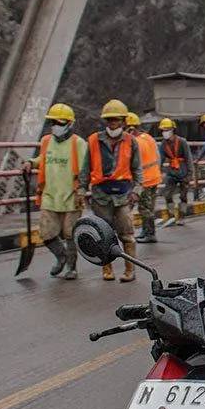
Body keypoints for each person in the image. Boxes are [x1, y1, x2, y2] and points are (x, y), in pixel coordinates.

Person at [22, 103, 87, 280]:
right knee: (46, 233)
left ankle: (71, 267)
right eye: (53, 122)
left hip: (71, 196)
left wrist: (82, 190)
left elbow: (85, 169)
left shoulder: (78, 144)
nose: (56, 126)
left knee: (70, 234)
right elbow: (43, 158)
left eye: (60, 122)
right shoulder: (46, 141)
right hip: (50, 195)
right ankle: (61, 256)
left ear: (70, 124)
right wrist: (31, 162)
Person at [79, 99, 142, 282]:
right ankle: (107, 269)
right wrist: (81, 191)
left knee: (127, 234)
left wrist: (137, 189)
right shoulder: (93, 141)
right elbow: (85, 169)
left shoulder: (131, 142)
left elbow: (137, 168)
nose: (112, 123)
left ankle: (130, 269)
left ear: (123, 121)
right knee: (102, 235)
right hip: (101, 195)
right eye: (109, 120)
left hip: (123, 195)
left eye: (116, 120)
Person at [129, 113, 162, 243]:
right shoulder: (148, 137)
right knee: (150, 207)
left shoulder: (134, 142)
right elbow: (158, 158)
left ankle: (150, 234)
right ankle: (145, 231)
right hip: (154, 178)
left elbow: (132, 164)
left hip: (145, 181)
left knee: (144, 209)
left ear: (130, 128)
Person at [158, 117, 195, 225]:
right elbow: (160, 160)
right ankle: (171, 216)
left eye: (167, 130)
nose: (165, 132)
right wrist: (157, 172)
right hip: (172, 173)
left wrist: (189, 174)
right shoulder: (163, 145)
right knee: (167, 195)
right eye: (163, 130)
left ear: (172, 130)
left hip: (183, 172)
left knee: (183, 196)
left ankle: (182, 217)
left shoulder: (182, 142)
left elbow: (189, 158)